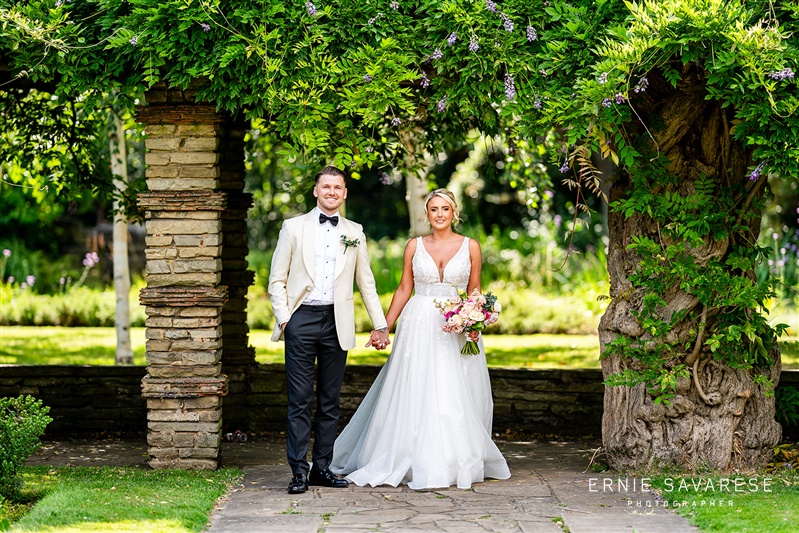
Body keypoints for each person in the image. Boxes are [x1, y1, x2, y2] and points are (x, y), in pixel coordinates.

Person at [330, 188, 511, 490]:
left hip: (457, 322)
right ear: (426, 214)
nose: (439, 214)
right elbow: (404, 289)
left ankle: (454, 460)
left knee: (454, 388)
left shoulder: (471, 246)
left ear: (454, 212)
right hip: (419, 323)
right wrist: (383, 327)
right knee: (416, 385)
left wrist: (475, 319)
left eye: (445, 209)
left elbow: (475, 289)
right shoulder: (414, 246)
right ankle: (409, 455)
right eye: (433, 209)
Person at [268, 165, 390, 494]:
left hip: (338, 322)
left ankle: (322, 467)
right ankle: (298, 470)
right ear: (316, 191)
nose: (332, 192)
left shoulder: (355, 231)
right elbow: (277, 279)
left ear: (345, 192)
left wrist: (380, 324)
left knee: (330, 401)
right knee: (299, 400)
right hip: (301, 320)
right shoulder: (292, 228)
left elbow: (367, 284)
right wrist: (284, 318)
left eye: (338, 187)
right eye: (326, 187)